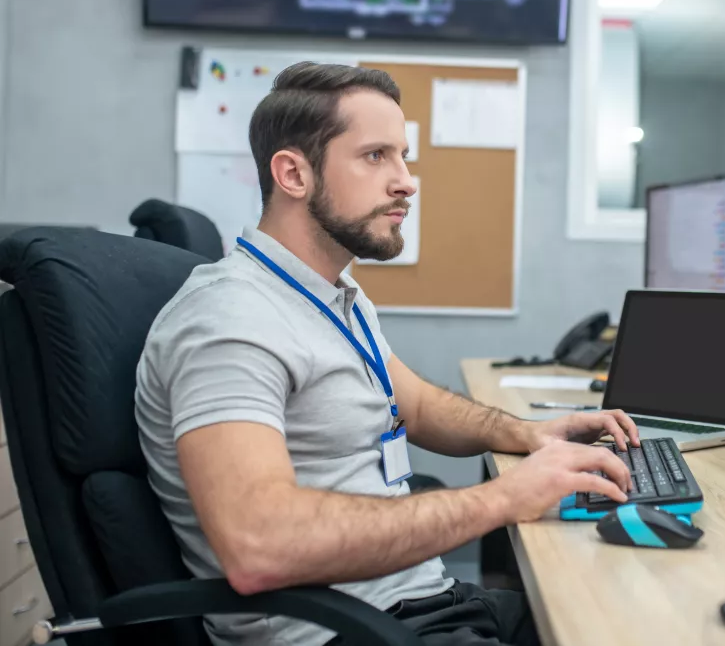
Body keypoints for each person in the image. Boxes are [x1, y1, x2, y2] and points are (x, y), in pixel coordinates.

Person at [135, 62, 639, 646]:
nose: (407, 181)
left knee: (624, 615)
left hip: (416, 602)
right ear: (293, 173)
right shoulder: (230, 319)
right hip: (341, 632)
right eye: (377, 156)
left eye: (404, 156)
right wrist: (503, 497)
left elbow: (417, 406)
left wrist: (529, 434)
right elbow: (258, 547)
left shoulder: (332, 294)